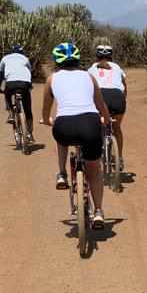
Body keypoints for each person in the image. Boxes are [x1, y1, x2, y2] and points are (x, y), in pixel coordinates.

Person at [41, 42, 111, 229]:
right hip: (90, 123)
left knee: (61, 137)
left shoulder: (51, 79)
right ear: (78, 60)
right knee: (94, 172)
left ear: (57, 61)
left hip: (65, 125)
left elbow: (46, 109)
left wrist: (48, 120)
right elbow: (100, 103)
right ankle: (98, 212)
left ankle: (62, 174)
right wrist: (105, 119)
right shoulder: (89, 77)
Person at [88, 44, 128, 171]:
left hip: (100, 96)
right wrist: (122, 100)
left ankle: (98, 155)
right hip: (118, 97)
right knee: (116, 128)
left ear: (96, 56)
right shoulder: (117, 67)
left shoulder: (91, 68)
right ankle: (120, 158)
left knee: (98, 125)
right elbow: (124, 87)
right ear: (111, 56)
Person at [0, 44, 34, 143]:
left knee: (7, 95)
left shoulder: (5, 58)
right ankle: (29, 133)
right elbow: (29, 72)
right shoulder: (25, 58)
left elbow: (1, 76)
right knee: (28, 110)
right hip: (25, 84)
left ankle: (11, 114)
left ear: (12, 51)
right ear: (22, 52)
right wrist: (30, 85)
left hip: (11, 84)